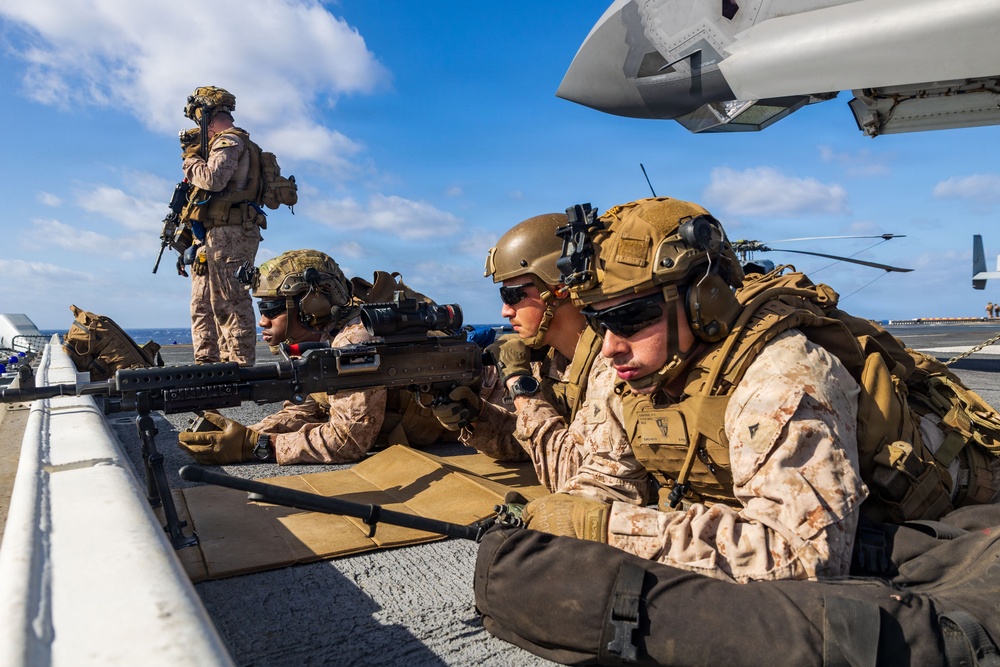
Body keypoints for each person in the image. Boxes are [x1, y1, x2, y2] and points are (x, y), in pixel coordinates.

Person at [520, 196, 1000, 583]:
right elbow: (609, 479)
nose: (609, 348)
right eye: (600, 321)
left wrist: (606, 528)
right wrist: (554, 516)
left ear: (703, 299)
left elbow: (805, 557)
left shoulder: (782, 374)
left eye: (628, 318)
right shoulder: (631, 370)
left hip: (962, 506)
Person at [432, 212, 650, 501]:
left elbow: (575, 478)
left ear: (558, 290)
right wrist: (476, 416)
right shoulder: (553, 357)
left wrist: (520, 386)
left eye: (512, 296)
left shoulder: (612, 365)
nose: (505, 311)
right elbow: (534, 448)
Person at [176, 249, 450, 465]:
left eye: (271, 310)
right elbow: (305, 409)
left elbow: (349, 441)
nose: (262, 322)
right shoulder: (313, 337)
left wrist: (258, 447)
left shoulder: (354, 341)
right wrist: (246, 433)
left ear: (310, 304)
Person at [179, 86, 266, 366]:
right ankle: (212, 364)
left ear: (207, 117)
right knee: (207, 303)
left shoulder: (230, 141)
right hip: (217, 233)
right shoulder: (226, 142)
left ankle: (240, 368)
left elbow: (214, 179)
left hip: (233, 232)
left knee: (231, 301)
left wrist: (191, 163)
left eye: (199, 123)